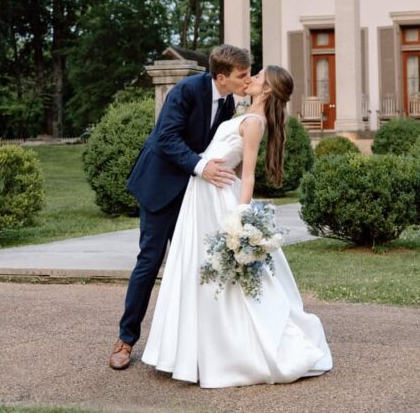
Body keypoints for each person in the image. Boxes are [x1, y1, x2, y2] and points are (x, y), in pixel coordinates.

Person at [141, 65, 333, 388]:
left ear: (268, 90)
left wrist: (240, 217)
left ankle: (228, 352)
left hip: (218, 199)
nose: (251, 80)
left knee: (221, 276)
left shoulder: (255, 123)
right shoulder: (243, 112)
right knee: (195, 270)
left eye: (257, 77)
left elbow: (248, 173)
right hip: (202, 194)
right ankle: (193, 352)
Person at [109, 43, 252, 370]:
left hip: (194, 195)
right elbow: (166, 138)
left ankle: (192, 345)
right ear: (221, 76)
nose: (247, 80)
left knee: (195, 264)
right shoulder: (185, 91)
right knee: (150, 261)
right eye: (242, 75)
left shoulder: (229, 102)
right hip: (160, 189)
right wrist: (202, 168)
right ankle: (125, 339)